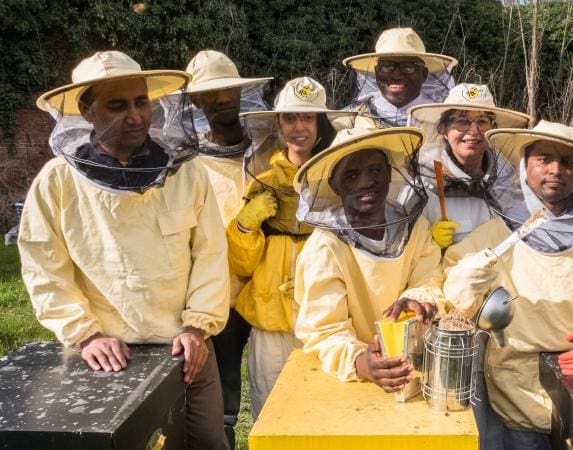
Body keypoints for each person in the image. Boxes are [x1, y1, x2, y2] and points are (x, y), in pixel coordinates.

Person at [22, 51, 230, 449]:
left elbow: (210, 255)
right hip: (108, 356)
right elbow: (44, 268)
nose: (135, 116)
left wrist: (197, 327)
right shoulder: (57, 183)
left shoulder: (186, 171)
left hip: (188, 350)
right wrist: (86, 337)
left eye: (141, 102)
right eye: (117, 106)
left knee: (208, 443)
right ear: (87, 111)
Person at [444, 121, 573, 450]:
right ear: (524, 168)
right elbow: (453, 303)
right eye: (543, 159)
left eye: (567, 161)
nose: (556, 169)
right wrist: (465, 278)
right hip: (518, 398)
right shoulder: (492, 236)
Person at [226, 77, 356, 418]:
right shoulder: (262, 181)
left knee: (323, 417)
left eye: (308, 118)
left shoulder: (337, 181)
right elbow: (241, 264)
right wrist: (245, 225)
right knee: (271, 418)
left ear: (320, 123)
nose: (299, 127)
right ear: (279, 124)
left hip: (325, 321)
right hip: (271, 323)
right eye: (291, 118)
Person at [293, 127, 443, 390]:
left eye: (374, 170)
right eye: (351, 175)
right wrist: (361, 362)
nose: (365, 182)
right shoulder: (325, 248)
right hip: (344, 380)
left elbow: (430, 278)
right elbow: (324, 331)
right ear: (335, 185)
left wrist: (419, 298)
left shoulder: (414, 228)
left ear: (388, 172)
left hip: (411, 368)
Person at [184, 48, 272, 447]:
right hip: (220, 296)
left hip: (276, 287)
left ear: (241, 93)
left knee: (280, 381)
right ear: (196, 100)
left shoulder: (269, 149)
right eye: (211, 93)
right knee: (222, 395)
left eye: (228, 91)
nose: (222, 100)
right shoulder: (188, 166)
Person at [408, 83, 531, 247]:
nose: (473, 131)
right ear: (444, 129)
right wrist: (428, 239)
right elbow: (407, 250)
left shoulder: (509, 179)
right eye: (462, 121)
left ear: (492, 129)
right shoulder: (422, 182)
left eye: (481, 121)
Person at [340, 27, 458, 128]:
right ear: (376, 72)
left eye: (408, 67)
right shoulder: (352, 117)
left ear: (424, 74)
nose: (396, 76)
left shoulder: (443, 119)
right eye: (386, 67)